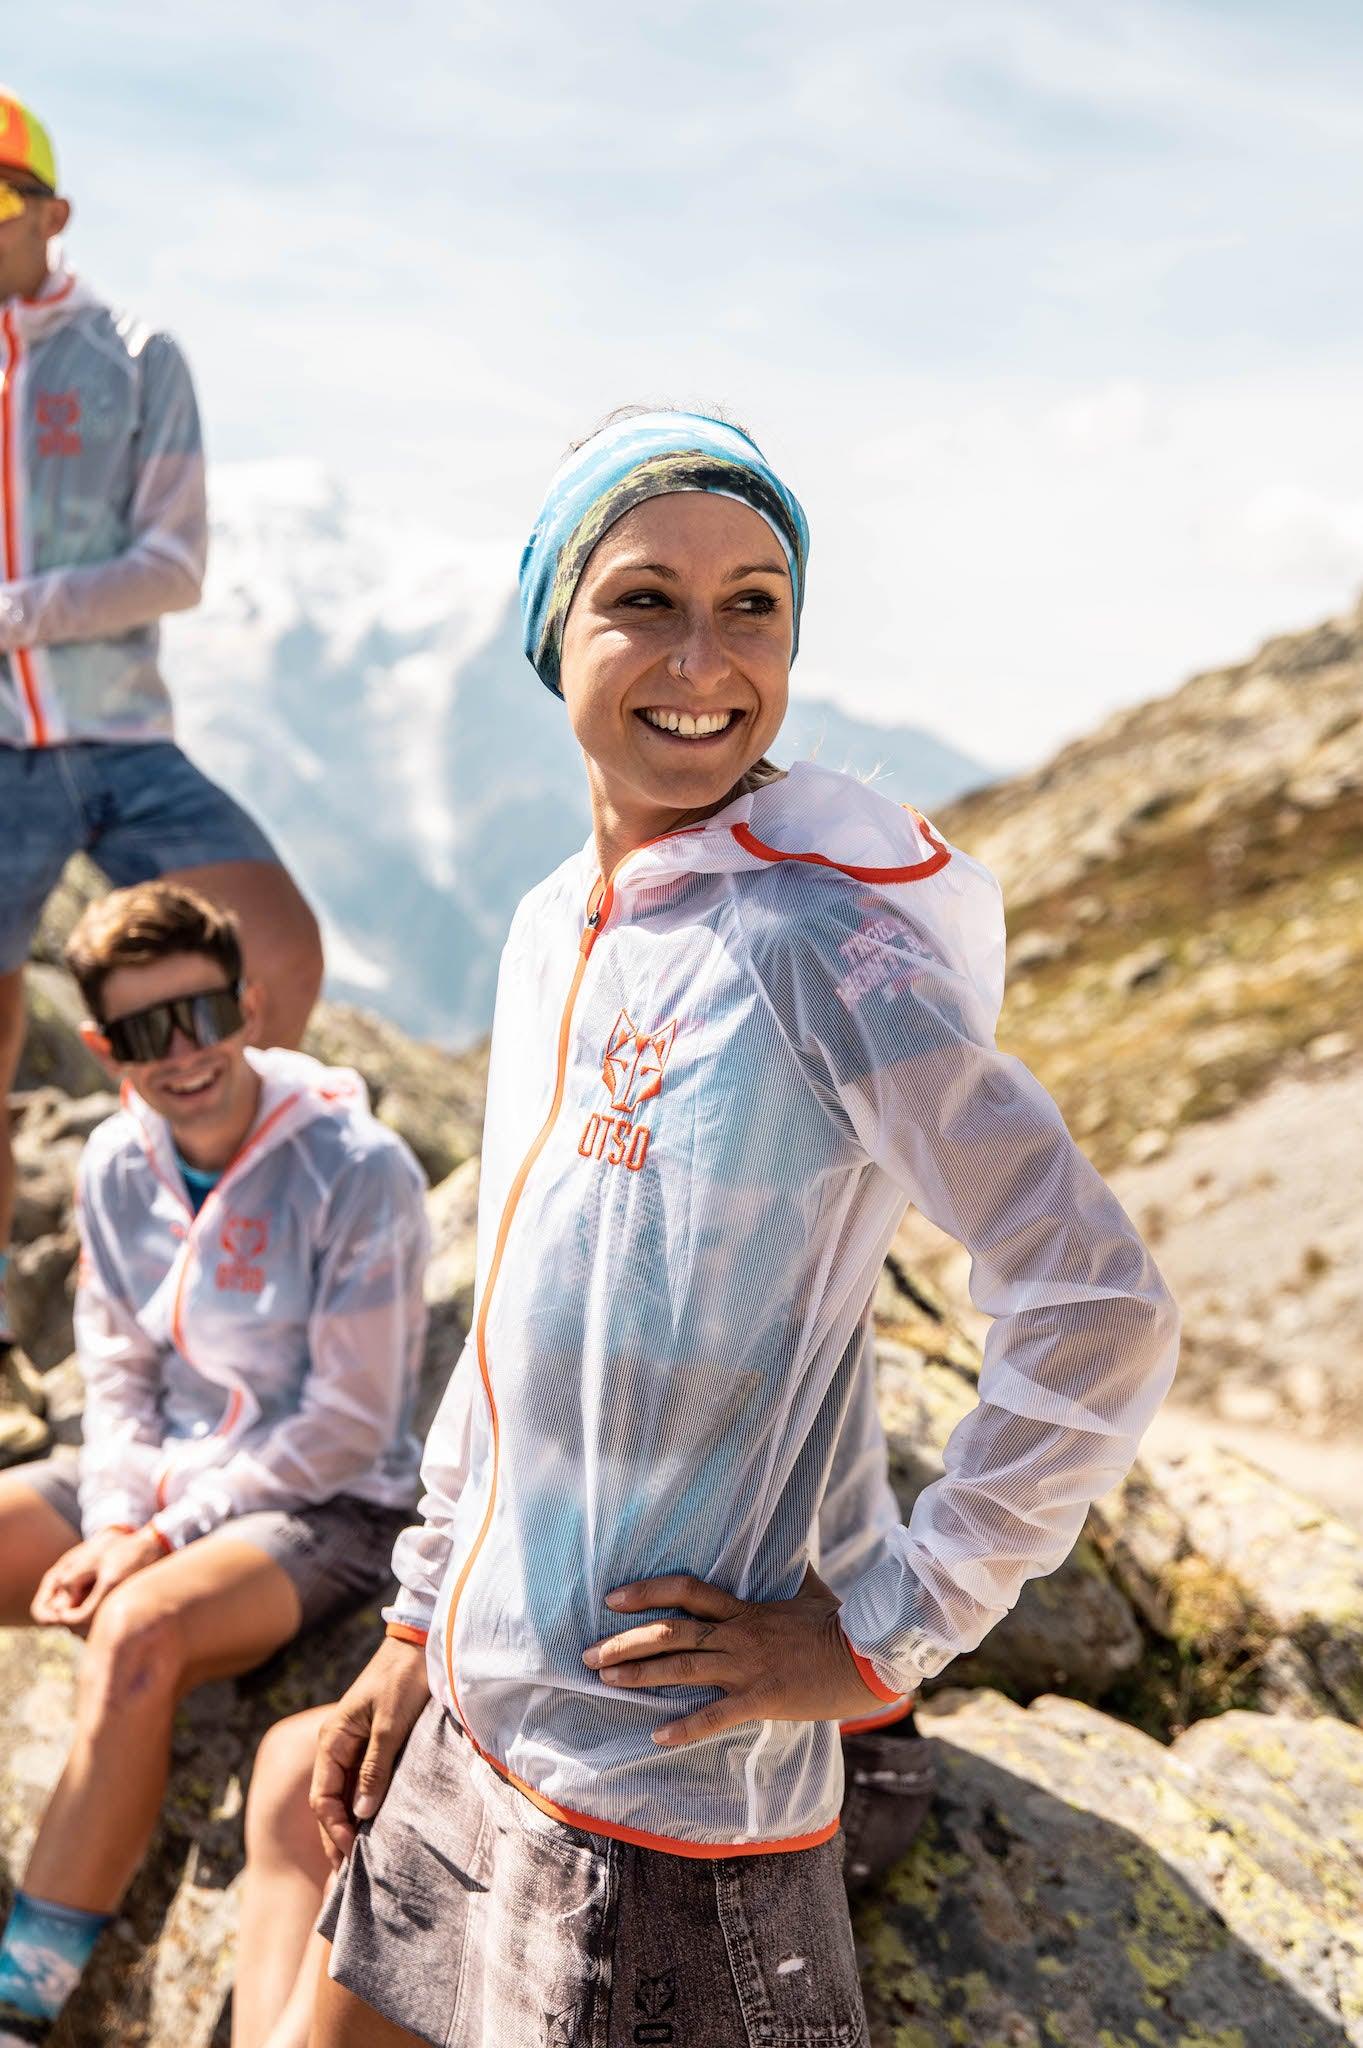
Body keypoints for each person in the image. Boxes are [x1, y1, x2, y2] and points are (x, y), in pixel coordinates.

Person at [304, 409, 1179, 2048]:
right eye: (643, 599)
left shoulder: (820, 942)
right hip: (485, 1716)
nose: (703, 659)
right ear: (549, 633)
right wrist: (420, 1621)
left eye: (752, 606)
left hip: (669, 1796)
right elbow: (516, 1325)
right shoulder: (551, 922)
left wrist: (884, 1635)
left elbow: (1096, 1301)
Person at [0, 882, 429, 2047]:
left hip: (322, 1506)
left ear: (249, 1005)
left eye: (204, 1014)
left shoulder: (359, 1167)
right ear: (103, 1049)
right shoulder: (112, 1161)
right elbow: (116, 1373)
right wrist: (112, 1517)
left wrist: (155, 1535)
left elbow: (349, 1425)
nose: (184, 1053)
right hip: (156, 1481)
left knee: (137, 1629)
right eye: (146, 1031)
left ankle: (19, 2004)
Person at [229, 1364, 930, 2048]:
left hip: (811, 1753)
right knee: (309, 1765)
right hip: (591, 1722)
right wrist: (417, 1629)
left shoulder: (747, 1321)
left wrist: (884, 1647)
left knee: (422, 1812)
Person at [0, 87, 324, 1356]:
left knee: (278, 954)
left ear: (53, 215)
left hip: (125, 740)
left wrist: (13, 613)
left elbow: (173, 567)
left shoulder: (135, 355)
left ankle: (196, 1226)